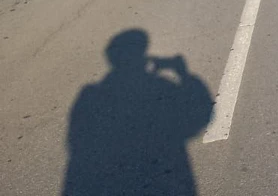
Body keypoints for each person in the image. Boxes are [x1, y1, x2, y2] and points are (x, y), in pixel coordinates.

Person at [62, 29, 213, 196]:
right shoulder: (160, 86)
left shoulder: (89, 94)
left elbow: (75, 140)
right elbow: (199, 117)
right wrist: (183, 73)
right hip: (165, 177)